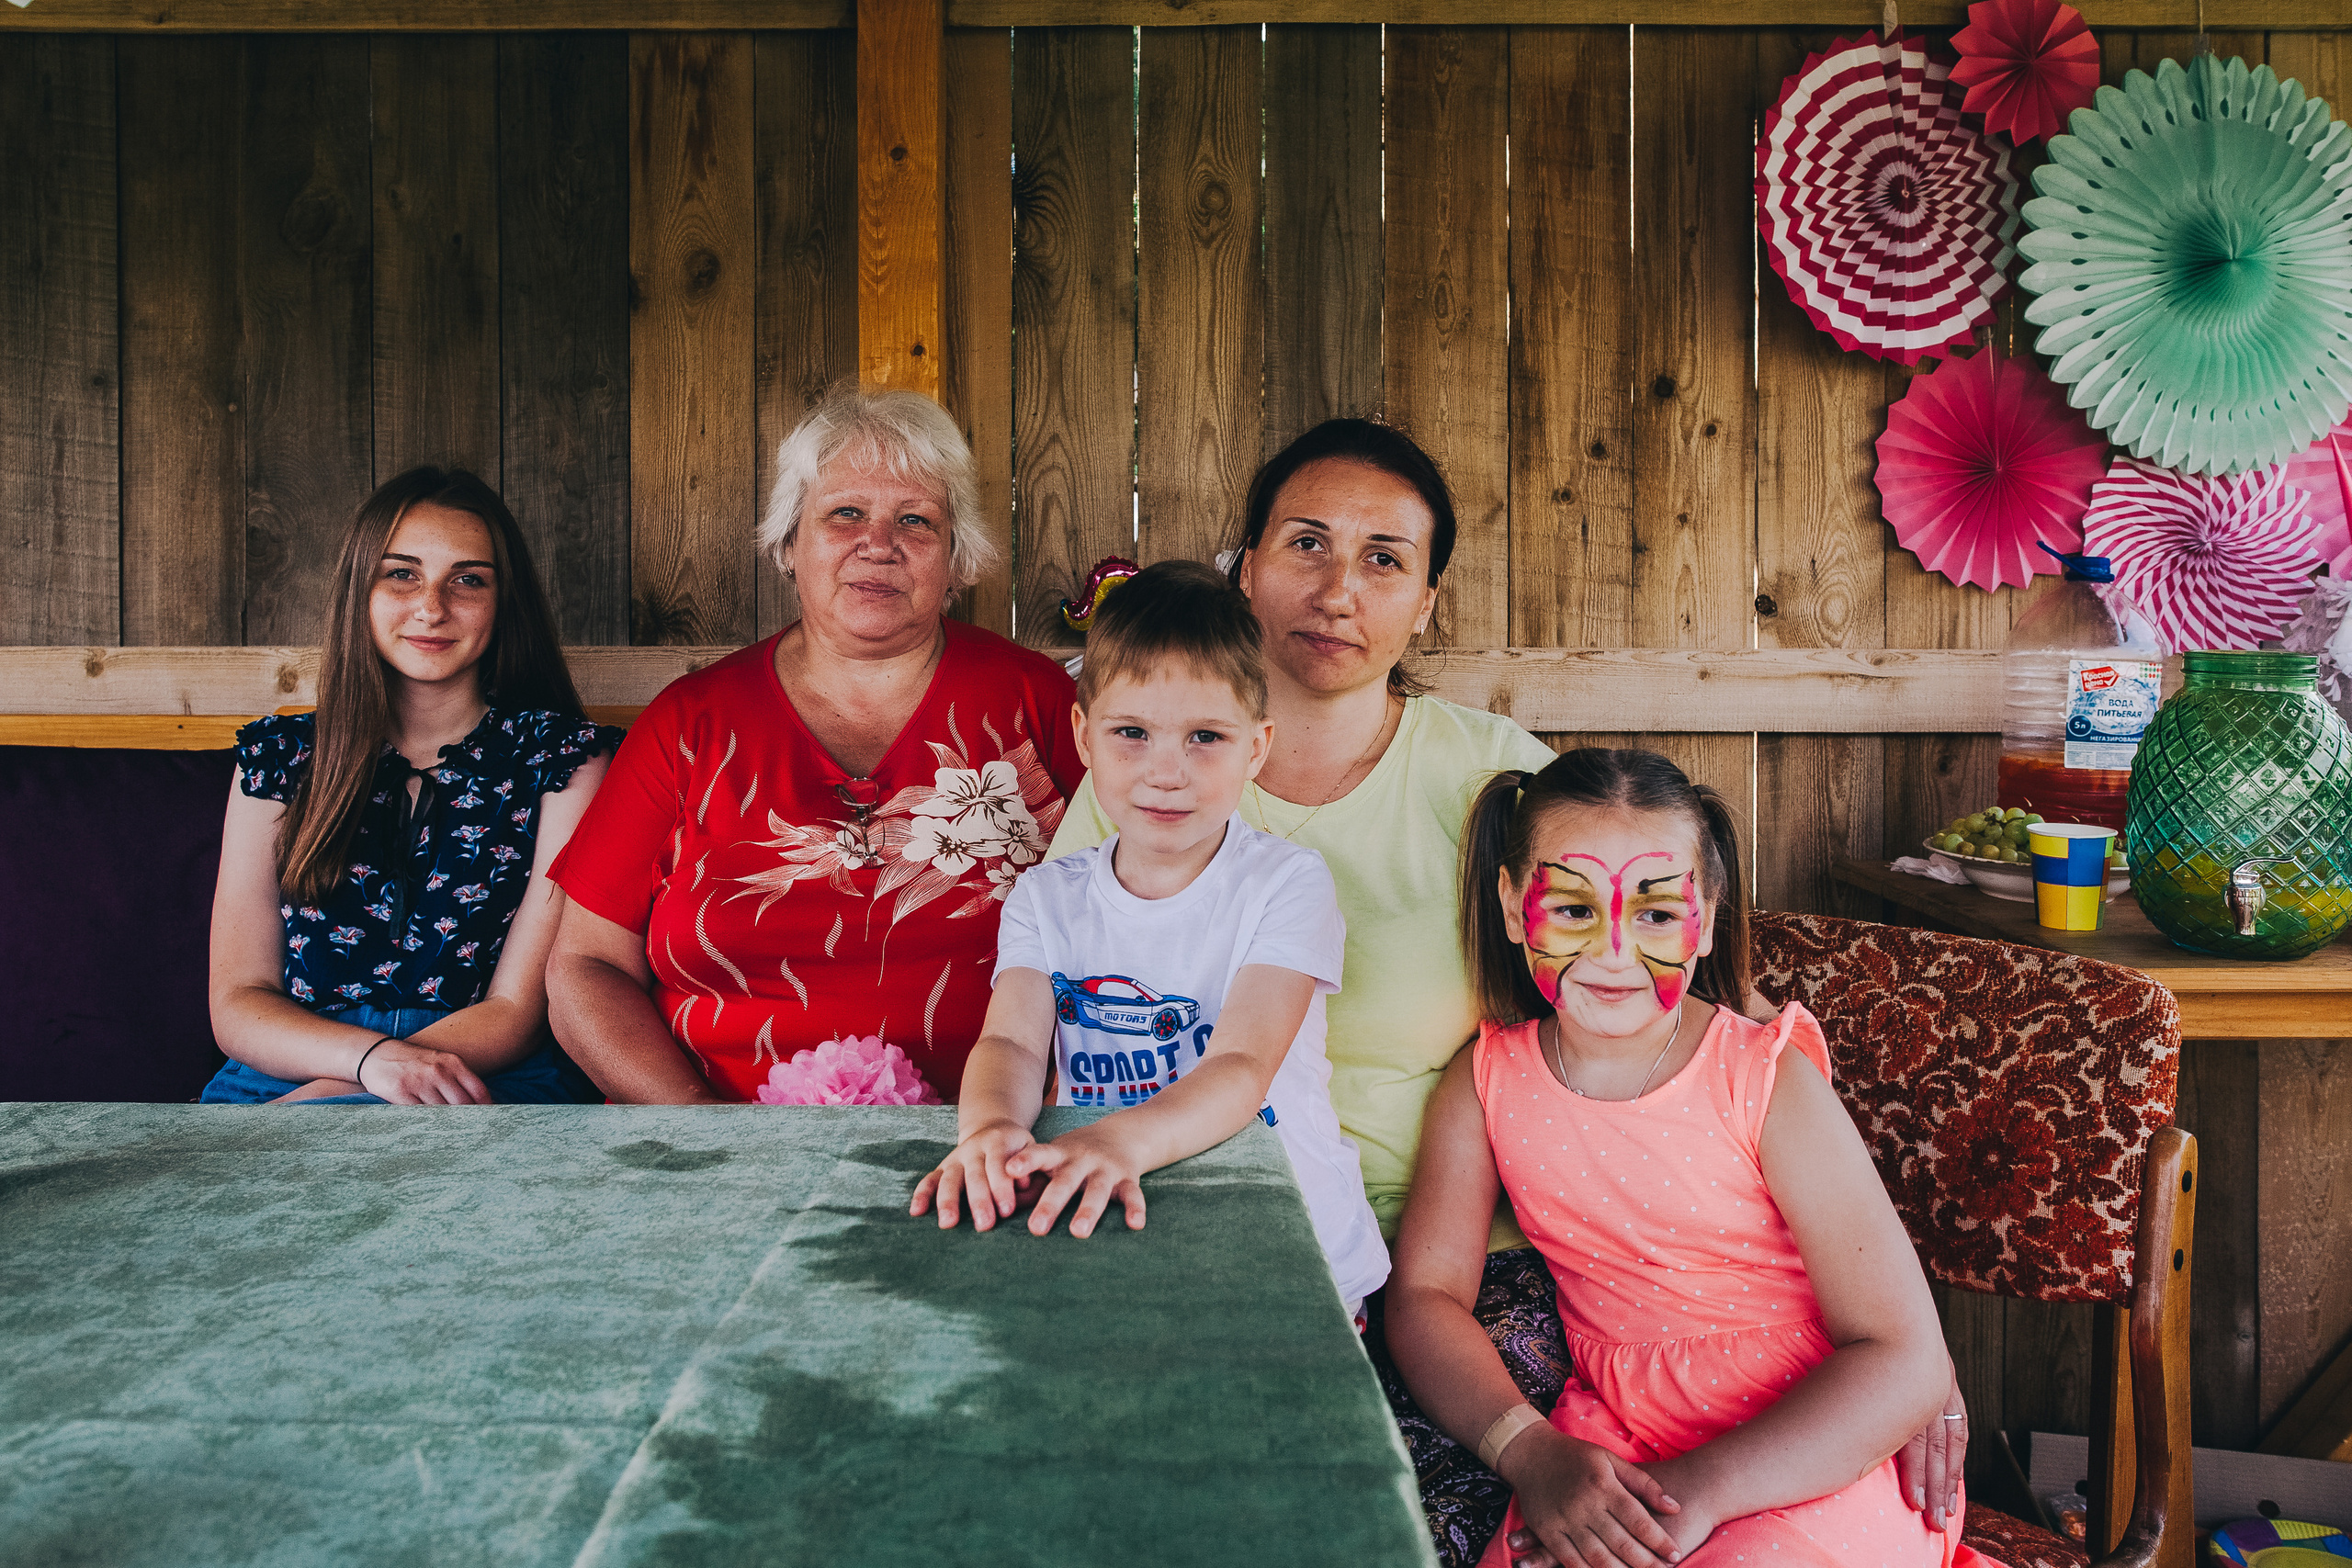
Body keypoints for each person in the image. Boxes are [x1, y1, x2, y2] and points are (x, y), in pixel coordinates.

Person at [1046, 420, 1966, 1566]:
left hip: (1473, 1265)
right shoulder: (1149, 776)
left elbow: (1667, 1013)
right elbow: (1067, 1014)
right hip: (1203, 1222)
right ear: (1246, 565)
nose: (1339, 588)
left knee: (1383, 1522)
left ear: (1426, 603)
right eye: (1306, 544)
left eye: (1386, 558)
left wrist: (1909, 1370)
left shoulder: (1497, 781)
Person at [1385, 749, 1966, 1568]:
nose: (1615, 951)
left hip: (1811, 1442)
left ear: (1708, 912)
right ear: (1515, 906)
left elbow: (1905, 1356)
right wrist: (1531, 1451)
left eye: (1657, 915)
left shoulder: (1765, 1078)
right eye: (1575, 910)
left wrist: (1702, 1491)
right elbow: (1425, 1295)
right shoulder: (1484, 1084)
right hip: (1608, 1444)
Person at [545, 385, 1083, 1103]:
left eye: (915, 520)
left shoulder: (1038, 703)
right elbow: (584, 966)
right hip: (717, 1149)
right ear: (790, 544)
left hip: (987, 1140)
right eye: (846, 513)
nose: (879, 544)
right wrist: (704, 1136)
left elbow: (1144, 909)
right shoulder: (690, 726)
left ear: (956, 558)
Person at [912, 561, 1388, 1314]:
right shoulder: (1046, 897)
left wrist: (1117, 1141)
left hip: (1285, 1252)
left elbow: (1240, 1067)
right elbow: (1012, 1045)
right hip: (1108, 1229)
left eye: (1206, 736)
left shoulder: (1287, 883)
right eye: (1132, 732)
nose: (1167, 772)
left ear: (1256, 748)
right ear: (1084, 736)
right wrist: (993, 1128)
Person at [203, 467, 619, 1105]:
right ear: (358, 591)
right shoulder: (279, 757)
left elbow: (516, 1010)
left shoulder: (562, 759)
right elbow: (237, 1000)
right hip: (287, 1067)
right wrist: (364, 1065)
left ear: (503, 600)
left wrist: (328, 1100)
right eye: (402, 574)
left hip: (482, 1074)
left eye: (468, 579)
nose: (432, 606)